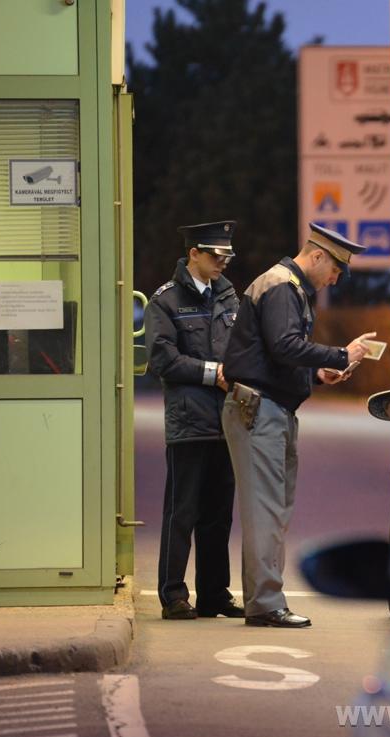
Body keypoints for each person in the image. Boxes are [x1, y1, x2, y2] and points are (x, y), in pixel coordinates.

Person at [222, 223, 372, 628]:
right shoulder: (282, 286)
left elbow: (273, 357)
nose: (336, 279)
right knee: (266, 511)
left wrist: (317, 375)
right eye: (337, 269)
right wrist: (341, 355)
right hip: (259, 409)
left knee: (272, 510)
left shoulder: (290, 288)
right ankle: (266, 604)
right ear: (318, 255)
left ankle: (264, 601)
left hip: (271, 408)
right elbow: (284, 346)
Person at [146, 221, 244, 620]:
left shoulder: (228, 296)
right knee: (181, 512)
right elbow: (162, 359)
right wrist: (214, 372)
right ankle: (173, 595)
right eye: (216, 255)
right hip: (188, 423)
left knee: (219, 514)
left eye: (227, 255)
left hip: (226, 422)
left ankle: (214, 594)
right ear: (194, 255)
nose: (223, 262)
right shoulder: (165, 301)